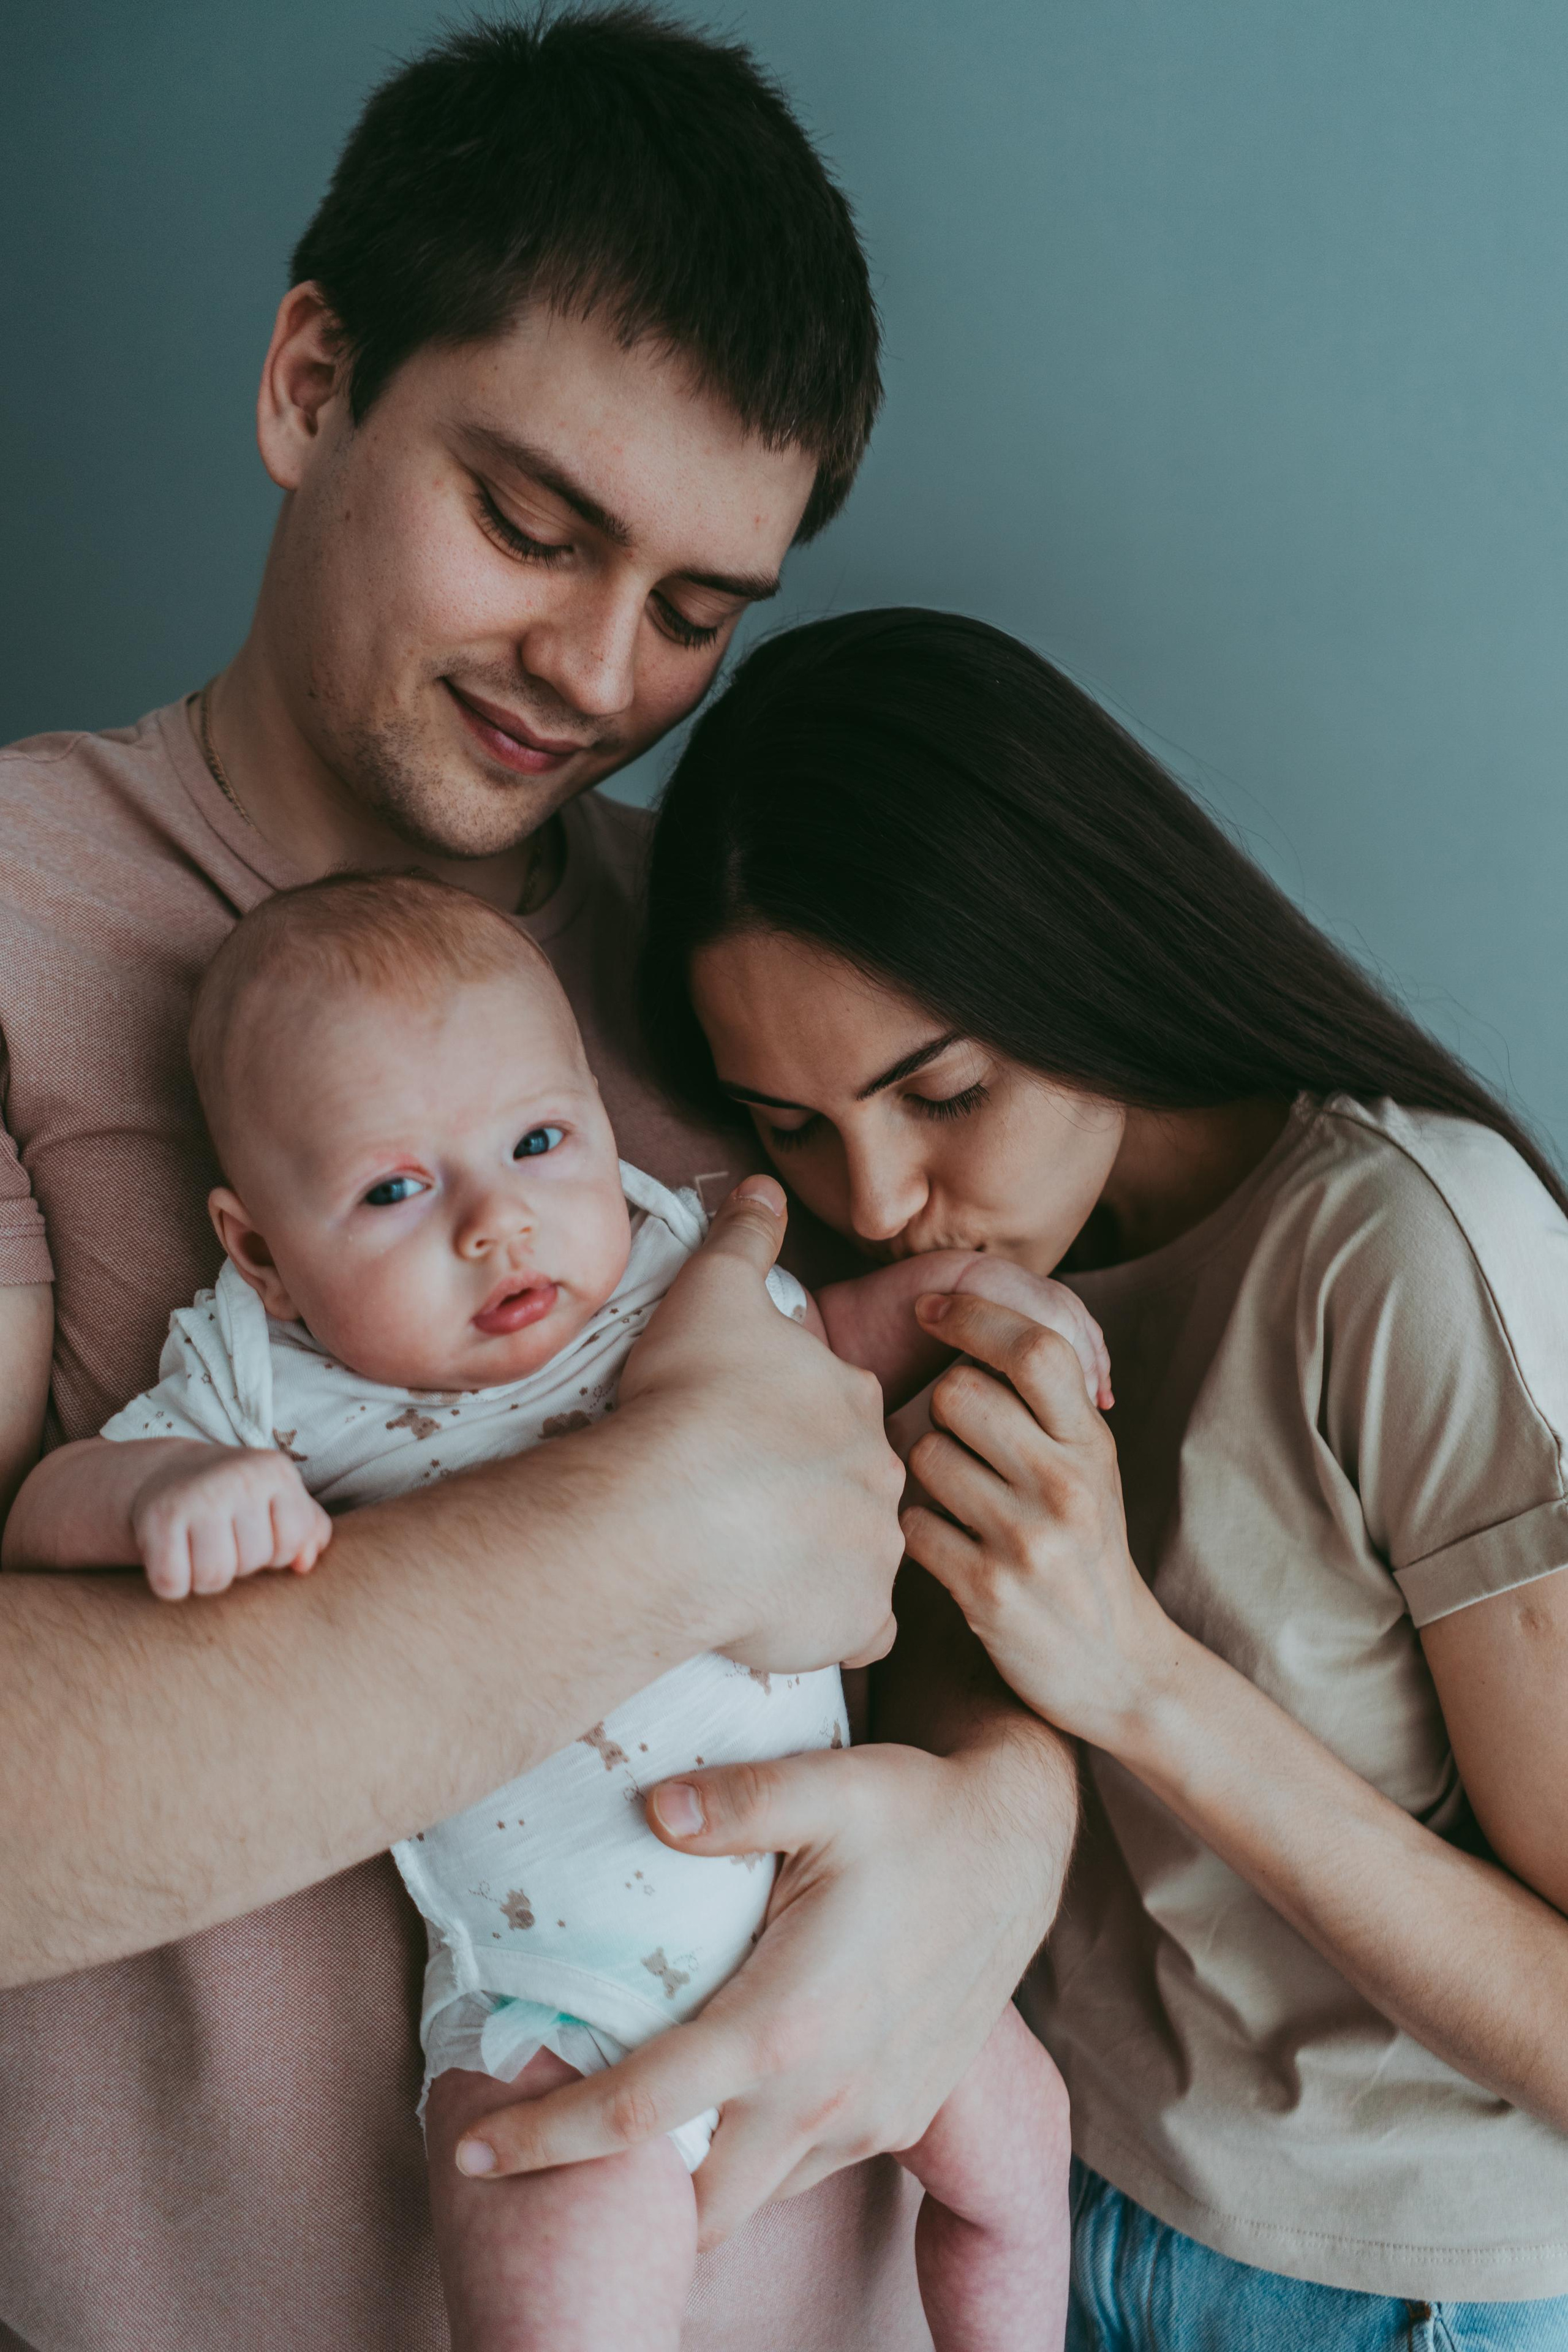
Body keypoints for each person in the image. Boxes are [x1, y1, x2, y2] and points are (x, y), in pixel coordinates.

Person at [0, 25, 1077, 2352]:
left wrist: (1008, 1828)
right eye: (533, 522)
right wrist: (664, 1526)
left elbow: (998, 1580)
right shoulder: (15, 922)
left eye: (701, 607)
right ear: (311, 384)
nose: (602, 675)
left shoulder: (749, 962)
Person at [598, 605, 1568, 2348]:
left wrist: (1134, 1674)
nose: (882, 1195)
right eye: (795, 1122)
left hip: (1394, 2299)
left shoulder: (1401, 1249)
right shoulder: (909, 1292)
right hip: (1036, 2231)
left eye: (944, 1091)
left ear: (1082, 953)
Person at [8, 869, 1090, 2352]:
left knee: (1022, 2172)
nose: (498, 1225)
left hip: (828, 1910)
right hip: (561, 2014)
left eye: (537, 1142)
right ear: (261, 1250)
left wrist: (979, 1305)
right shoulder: (261, 1377)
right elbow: (42, 1509)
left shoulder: (663, 1259)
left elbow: (835, 1352)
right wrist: (155, 1497)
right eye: (395, 1189)